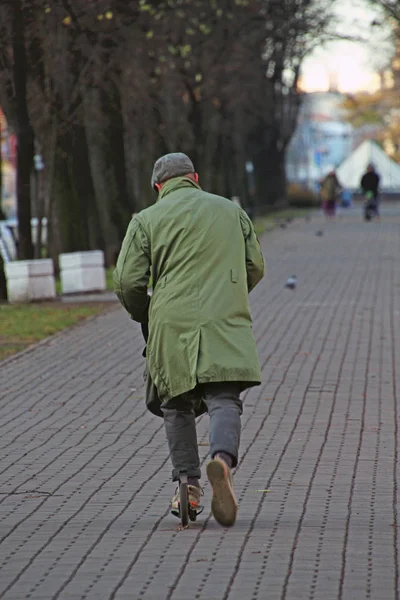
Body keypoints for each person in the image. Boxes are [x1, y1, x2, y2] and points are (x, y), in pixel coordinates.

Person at [114, 153, 264, 527]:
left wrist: (146, 313)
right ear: (195, 177)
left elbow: (128, 282)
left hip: (171, 323)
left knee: (176, 404)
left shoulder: (146, 220)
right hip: (223, 318)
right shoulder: (231, 211)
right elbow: (255, 265)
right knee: (224, 396)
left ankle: (188, 486)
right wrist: (229, 293)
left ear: (158, 187)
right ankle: (223, 460)